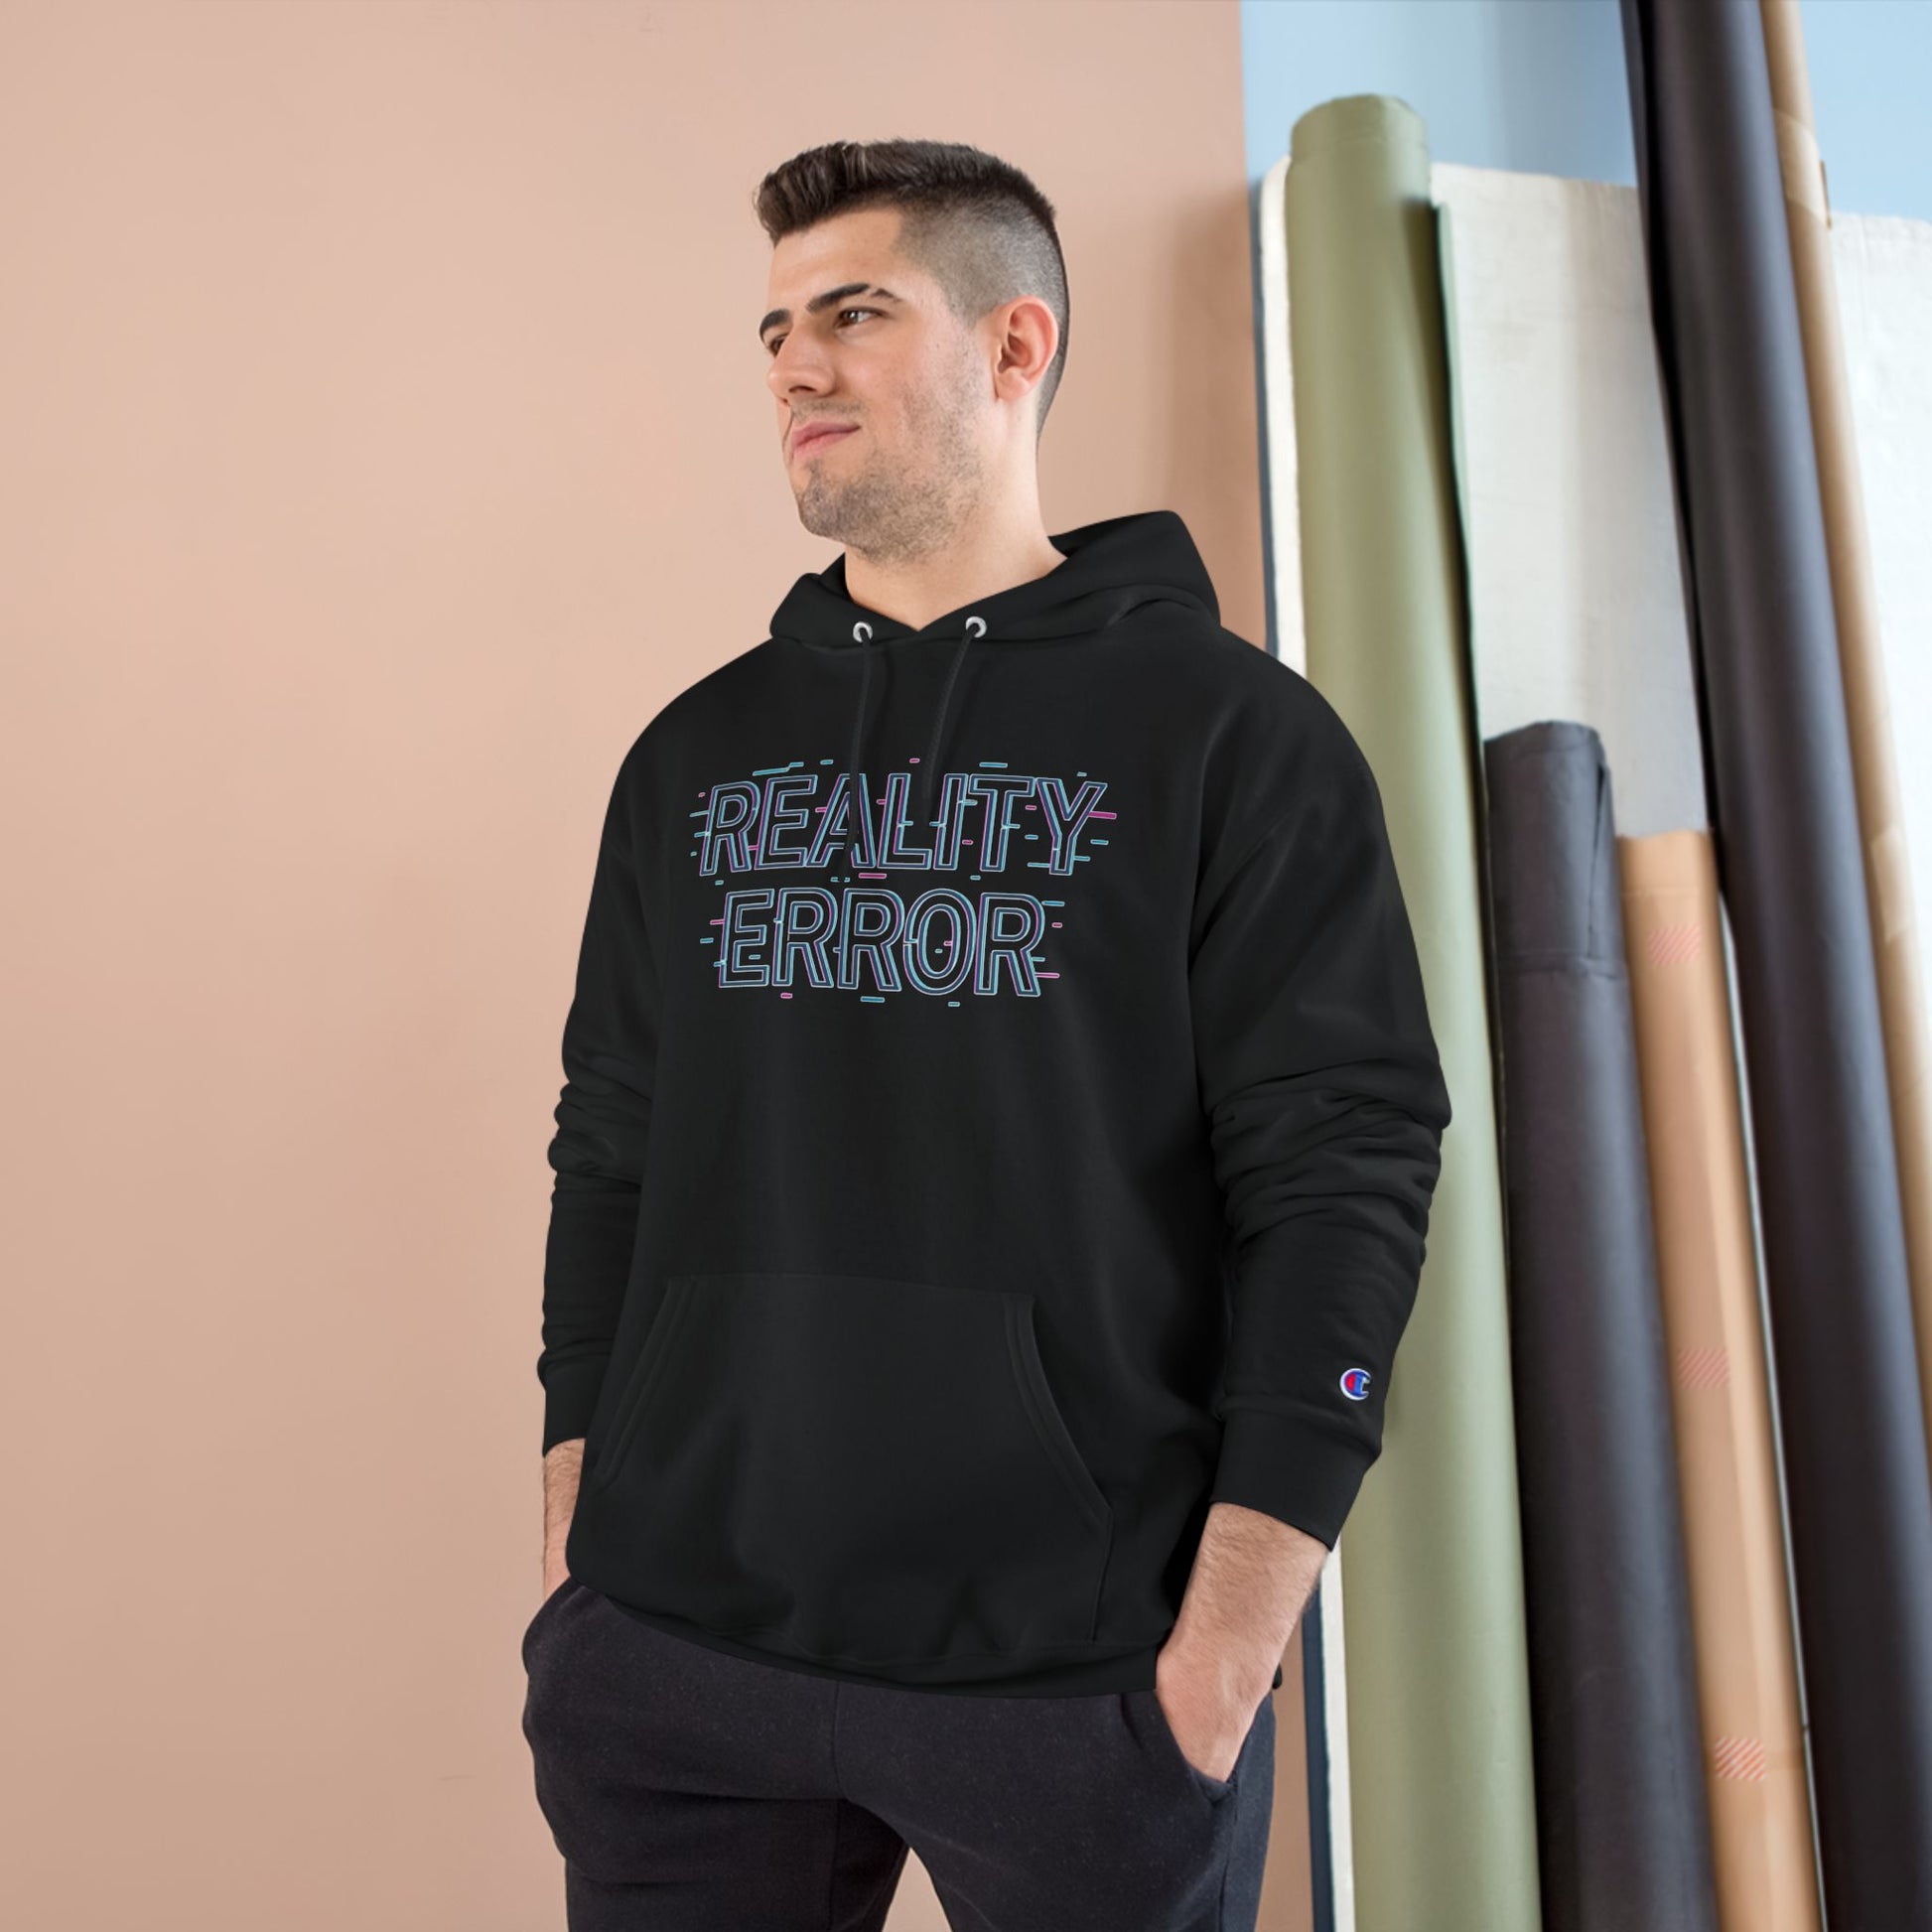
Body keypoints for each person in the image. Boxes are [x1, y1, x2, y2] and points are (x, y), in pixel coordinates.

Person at [519, 137, 1451, 1932]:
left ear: (1015, 346)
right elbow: (610, 1136)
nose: (793, 363)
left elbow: (1341, 1173)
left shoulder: (1232, 740)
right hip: (676, 1651)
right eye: (776, 326)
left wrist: (1226, 1648)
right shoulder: (695, 754)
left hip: (1077, 1673)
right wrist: (579, 1515)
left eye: (854, 312)